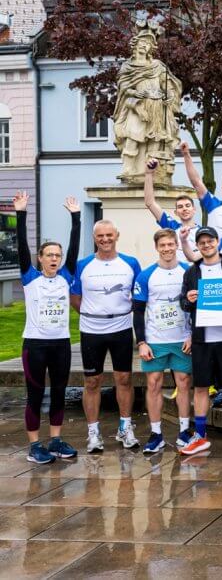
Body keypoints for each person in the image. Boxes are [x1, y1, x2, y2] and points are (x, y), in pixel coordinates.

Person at [15, 191, 80, 463]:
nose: (54, 259)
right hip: (35, 345)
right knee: (35, 394)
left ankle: (55, 440)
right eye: (49, 255)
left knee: (59, 393)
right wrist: (21, 214)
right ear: (40, 258)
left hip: (60, 344)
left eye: (57, 255)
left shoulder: (66, 276)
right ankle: (34, 445)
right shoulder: (30, 278)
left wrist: (76, 218)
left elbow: (75, 247)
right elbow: (21, 246)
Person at [70, 218, 142, 453]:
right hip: (92, 330)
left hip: (121, 327)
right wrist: (95, 313)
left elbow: (137, 297)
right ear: (94, 238)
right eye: (100, 236)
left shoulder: (131, 263)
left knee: (124, 379)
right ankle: (93, 432)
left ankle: (125, 427)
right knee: (92, 381)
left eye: (109, 235)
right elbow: (76, 299)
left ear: (117, 235)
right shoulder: (83, 265)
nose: (105, 239)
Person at [179, 227, 222, 455]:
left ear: (218, 242)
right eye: (202, 242)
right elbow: (184, 303)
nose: (206, 245)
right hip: (203, 339)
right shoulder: (192, 272)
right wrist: (189, 300)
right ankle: (200, 435)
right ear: (197, 246)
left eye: (210, 241)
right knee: (200, 387)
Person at [132, 229, 192, 453]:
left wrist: (193, 335)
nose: (167, 249)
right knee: (154, 383)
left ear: (177, 245)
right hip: (155, 340)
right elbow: (138, 311)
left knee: (184, 382)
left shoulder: (188, 271)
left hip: (182, 339)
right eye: (162, 245)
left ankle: (184, 431)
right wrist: (141, 342)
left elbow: (197, 306)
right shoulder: (146, 275)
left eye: (170, 244)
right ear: (156, 247)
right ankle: (156, 433)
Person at [143, 159, 196, 263]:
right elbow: (150, 203)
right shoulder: (171, 226)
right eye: (180, 207)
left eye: (187, 205)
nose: (184, 208)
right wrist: (148, 174)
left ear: (194, 210)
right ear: (176, 212)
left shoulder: (203, 232)